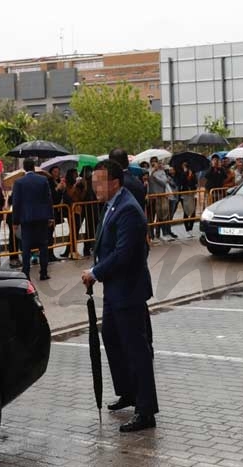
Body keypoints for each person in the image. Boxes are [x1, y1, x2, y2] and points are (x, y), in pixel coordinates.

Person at [81, 160, 158, 433]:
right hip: (115, 291)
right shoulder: (112, 204)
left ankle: (146, 410)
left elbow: (123, 254)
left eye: (98, 182)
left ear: (114, 181)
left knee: (137, 350)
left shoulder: (128, 209)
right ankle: (128, 391)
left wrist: (95, 272)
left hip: (129, 291)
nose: (94, 188)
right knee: (112, 338)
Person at [11, 157, 54, 280]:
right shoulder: (42, 180)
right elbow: (48, 199)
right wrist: (50, 216)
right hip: (41, 218)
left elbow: (16, 203)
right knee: (43, 246)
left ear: (24, 168)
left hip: (27, 219)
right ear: (34, 167)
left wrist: (15, 221)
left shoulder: (19, 182)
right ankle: (44, 272)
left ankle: (26, 273)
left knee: (26, 247)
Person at [146, 158, 174, 242]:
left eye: (156, 161)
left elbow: (164, 182)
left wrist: (157, 176)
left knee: (161, 216)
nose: (155, 163)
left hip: (161, 196)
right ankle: (151, 236)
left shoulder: (162, 172)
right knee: (151, 217)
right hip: (152, 197)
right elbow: (148, 179)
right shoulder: (149, 172)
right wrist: (153, 173)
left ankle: (161, 234)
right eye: (153, 162)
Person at [175, 162, 198, 237]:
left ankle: (191, 228)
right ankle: (187, 229)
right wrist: (185, 174)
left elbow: (195, 183)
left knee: (193, 212)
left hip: (192, 194)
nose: (185, 166)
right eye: (183, 165)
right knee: (186, 212)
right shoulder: (180, 173)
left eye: (186, 165)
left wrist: (191, 176)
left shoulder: (193, 173)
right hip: (184, 195)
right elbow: (181, 182)